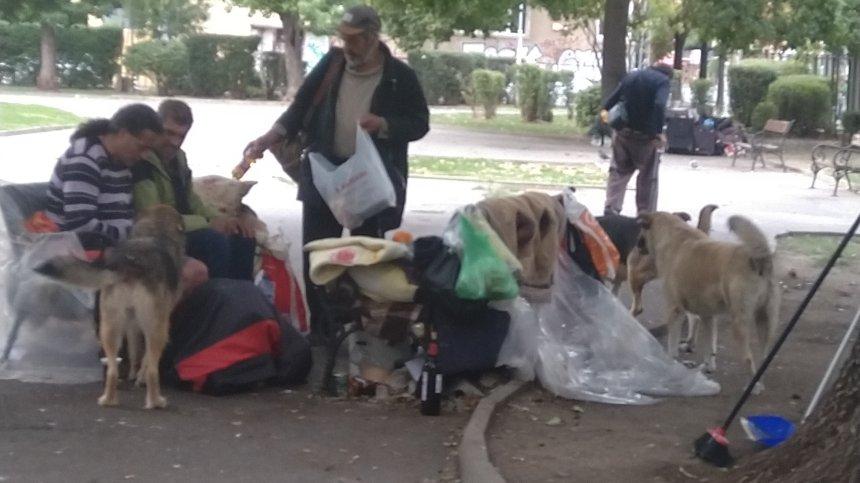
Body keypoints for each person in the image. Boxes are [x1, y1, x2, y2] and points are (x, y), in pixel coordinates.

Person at [244, 4, 430, 341]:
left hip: (372, 183)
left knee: (368, 258)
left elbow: (420, 123)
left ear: (373, 37)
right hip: (324, 175)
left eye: (355, 39)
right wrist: (268, 138)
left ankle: (364, 329)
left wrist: (385, 124)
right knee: (318, 253)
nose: (348, 46)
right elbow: (300, 108)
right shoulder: (331, 64)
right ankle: (322, 332)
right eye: (344, 38)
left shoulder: (399, 77)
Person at [46, 103, 208, 291]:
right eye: (142, 147)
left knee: (196, 265)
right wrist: (131, 238)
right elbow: (81, 226)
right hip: (84, 251)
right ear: (122, 133)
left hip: (119, 246)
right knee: (192, 273)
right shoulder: (85, 159)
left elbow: (125, 215)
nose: (144, 155)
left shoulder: (122, 162)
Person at [133, 99, 257, 280]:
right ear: (156, 128)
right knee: (214, 241)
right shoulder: (143, 160)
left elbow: (192, 201)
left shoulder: (179, 159)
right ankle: (214, 302)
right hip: (161, 234)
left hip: (184, 226)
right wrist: (208, 223)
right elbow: (153, 218)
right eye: (170, 133)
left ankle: (240, 301)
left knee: (242, 236)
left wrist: (220, 219)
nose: (175, 142)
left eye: (181, 136)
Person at [601, 63, 673, 216]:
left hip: (623, 133)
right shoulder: (662, 81)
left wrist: (611, 122)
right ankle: (644, 214)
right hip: (645, 138)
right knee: (647, 176)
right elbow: (659, 104)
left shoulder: (631, 76)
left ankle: (612, 207)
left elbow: (608, 103)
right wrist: (658, 132)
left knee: (619, 172)